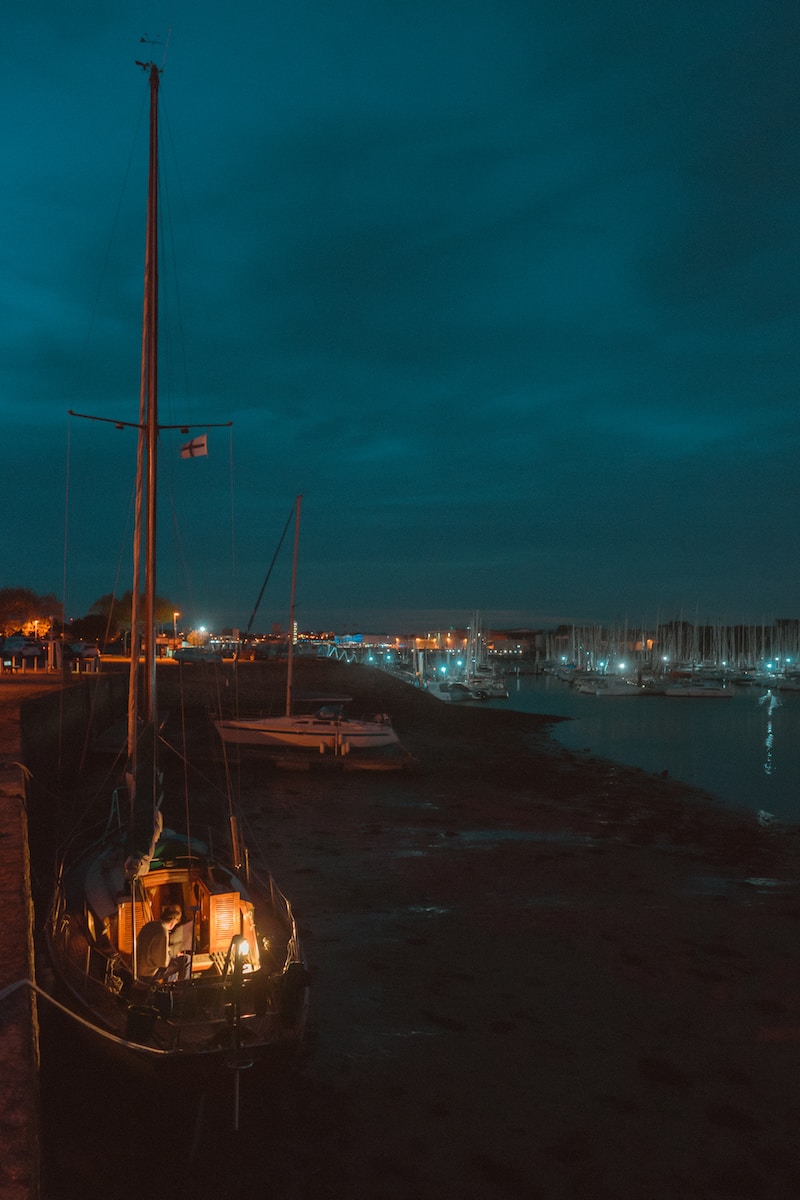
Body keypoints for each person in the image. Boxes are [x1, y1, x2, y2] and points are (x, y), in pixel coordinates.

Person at [135, 904, 185, 980]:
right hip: (148, 974)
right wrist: (172, 956)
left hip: (137, 968)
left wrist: (172, 954)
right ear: (173, 922)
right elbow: (163, 963)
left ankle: (170, 986)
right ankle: (185, 988)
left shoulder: (149, 925)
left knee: (174, 961)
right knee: (186, 960)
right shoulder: (163, 931)